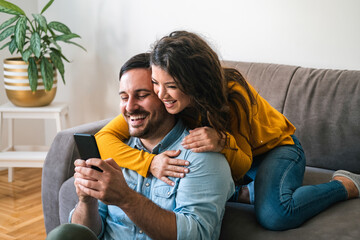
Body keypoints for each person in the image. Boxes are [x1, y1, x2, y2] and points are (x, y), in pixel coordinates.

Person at [95, 31, 360, 231]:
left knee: (276, 214)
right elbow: (102, 138)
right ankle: (248, 191)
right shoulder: (164, 100)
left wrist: (222, 142)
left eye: (171, 85)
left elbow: (243, 161)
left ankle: (344, 185)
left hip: (274, 150)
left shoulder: (232, 94)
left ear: (193, 82)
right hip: (235, 160)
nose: (159, 94)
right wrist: (150, 163)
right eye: (154, 83)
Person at [46, 53, 234, 240]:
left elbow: (197, 235)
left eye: (142, 95)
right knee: (65, 234)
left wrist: (126, 198)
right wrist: (86, 201)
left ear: (166, 97)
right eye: (124, 97)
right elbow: (90, 232)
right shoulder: (115, 153)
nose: (129, 107)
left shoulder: (201, 156)